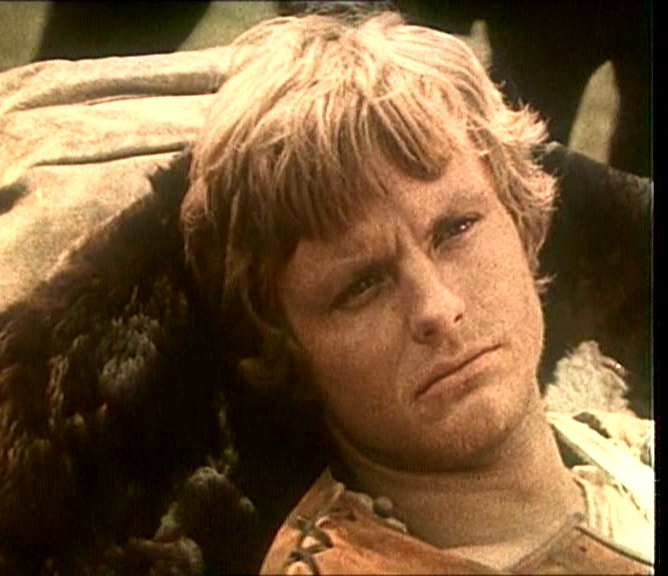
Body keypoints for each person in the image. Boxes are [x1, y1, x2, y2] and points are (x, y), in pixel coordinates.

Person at [180, 8, 653, 574]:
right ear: (285, 344)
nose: (437, 308)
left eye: (456, 229)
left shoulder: (625, 450)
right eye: (362, 285)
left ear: (521, 219)